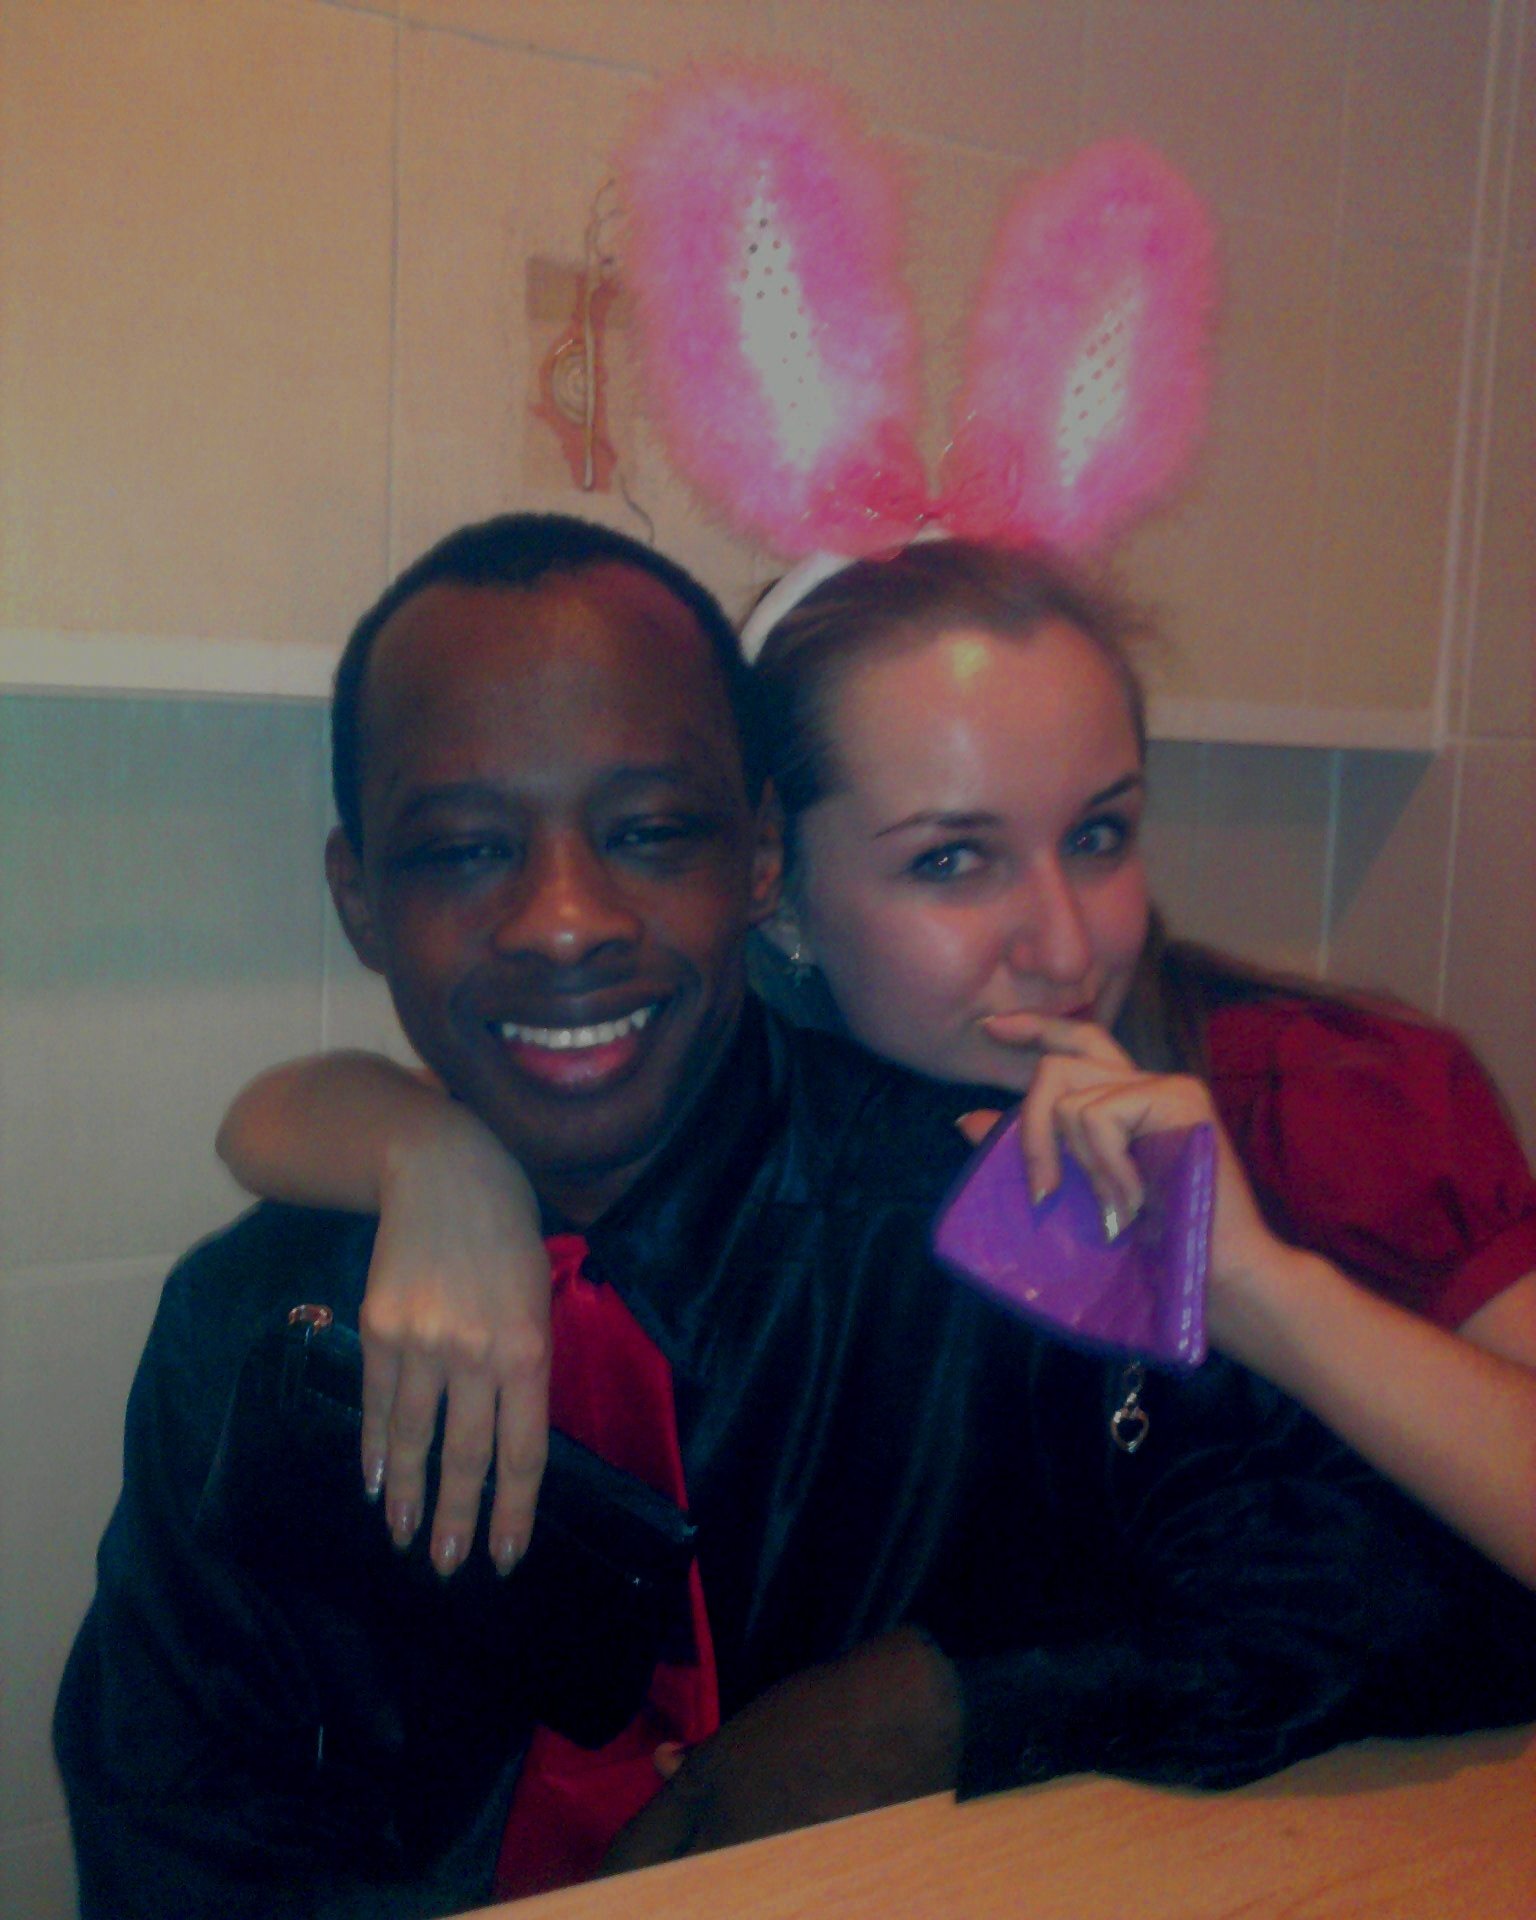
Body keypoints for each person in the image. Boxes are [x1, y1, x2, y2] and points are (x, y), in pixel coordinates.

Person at [60, 514, 1536, 1920]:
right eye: (461, 850)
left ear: (760, 861)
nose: (563, 918)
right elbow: (173, 1834)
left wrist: (950, 1700)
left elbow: (1411, 1598)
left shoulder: (991, 1223)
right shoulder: (254, 1330)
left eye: (651, 832)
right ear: (358, 897)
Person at [223, 539, 1536, 1598]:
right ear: (775, 886)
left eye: (1098, 835)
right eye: (952, 860)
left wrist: (1248, 1286)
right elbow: (261, 1121)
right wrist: (432, 1155)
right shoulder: (800, 1121)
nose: (1066, 944)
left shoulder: (1318, 1095)